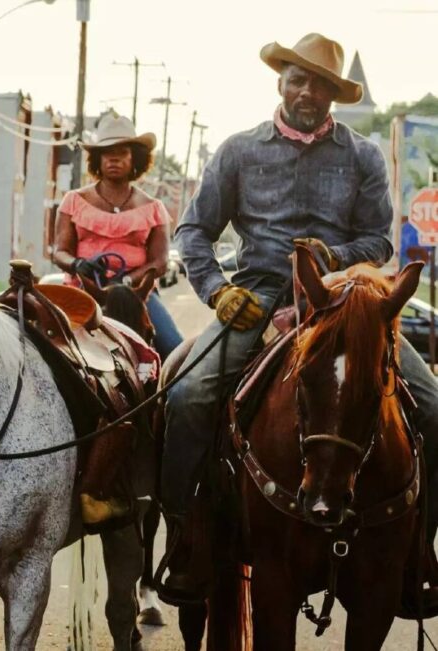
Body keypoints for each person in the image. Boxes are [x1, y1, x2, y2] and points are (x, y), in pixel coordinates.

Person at [160, 33, 438, 614]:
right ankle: (186, 539)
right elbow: (193, 233)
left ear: (336, 94)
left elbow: (379, 241)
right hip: (257, 293)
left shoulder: (361, 155)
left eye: (322, 85)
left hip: (344, 300)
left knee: (432, 407)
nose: (308, 91)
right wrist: (217, 291)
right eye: (298, 79)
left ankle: (418, 554)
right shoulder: (238, 151)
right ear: (280, 81)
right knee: (186, 397)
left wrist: (331, 261)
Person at [51, 114, 183, 359]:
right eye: (106, 152)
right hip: (80, 289)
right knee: (45, 350)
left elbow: (160, 262)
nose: (113, 158)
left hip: (136, 296)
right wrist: (78, 264)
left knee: (176, 350)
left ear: (135, 158)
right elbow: (59, 251)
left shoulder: (153, 207)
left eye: (121, 152)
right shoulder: (74, 201)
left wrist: (126, 282)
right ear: (97, 159)